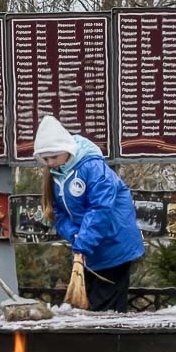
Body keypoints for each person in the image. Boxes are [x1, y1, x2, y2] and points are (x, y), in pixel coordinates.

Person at [33, 116, 144, 311]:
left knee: (106, 313)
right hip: (89, 251)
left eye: (53, 157)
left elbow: (100, 209)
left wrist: (82, 243)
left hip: (114, 246)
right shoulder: (58, 173)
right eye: (46, 159)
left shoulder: (93, 168)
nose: (50, 163)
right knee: (91, 310)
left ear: (66, 150)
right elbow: (57, 212)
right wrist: (75, 235)